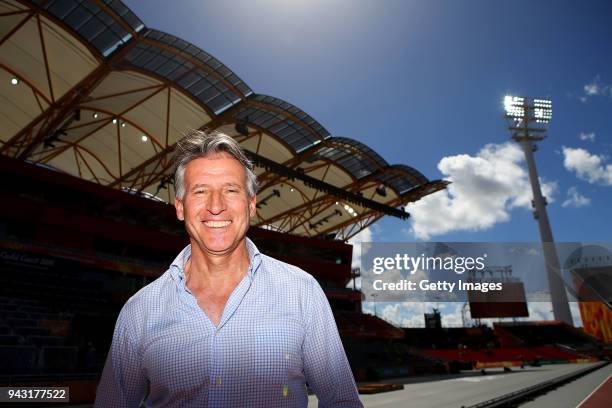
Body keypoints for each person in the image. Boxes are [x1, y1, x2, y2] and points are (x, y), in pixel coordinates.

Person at [95, 130, 362, 407]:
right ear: (180, 207)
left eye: (230, 190)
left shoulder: (301, 291)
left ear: (251, 204)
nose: (216, 206)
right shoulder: (139, 311)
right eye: (200, 191)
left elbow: (342, 401)